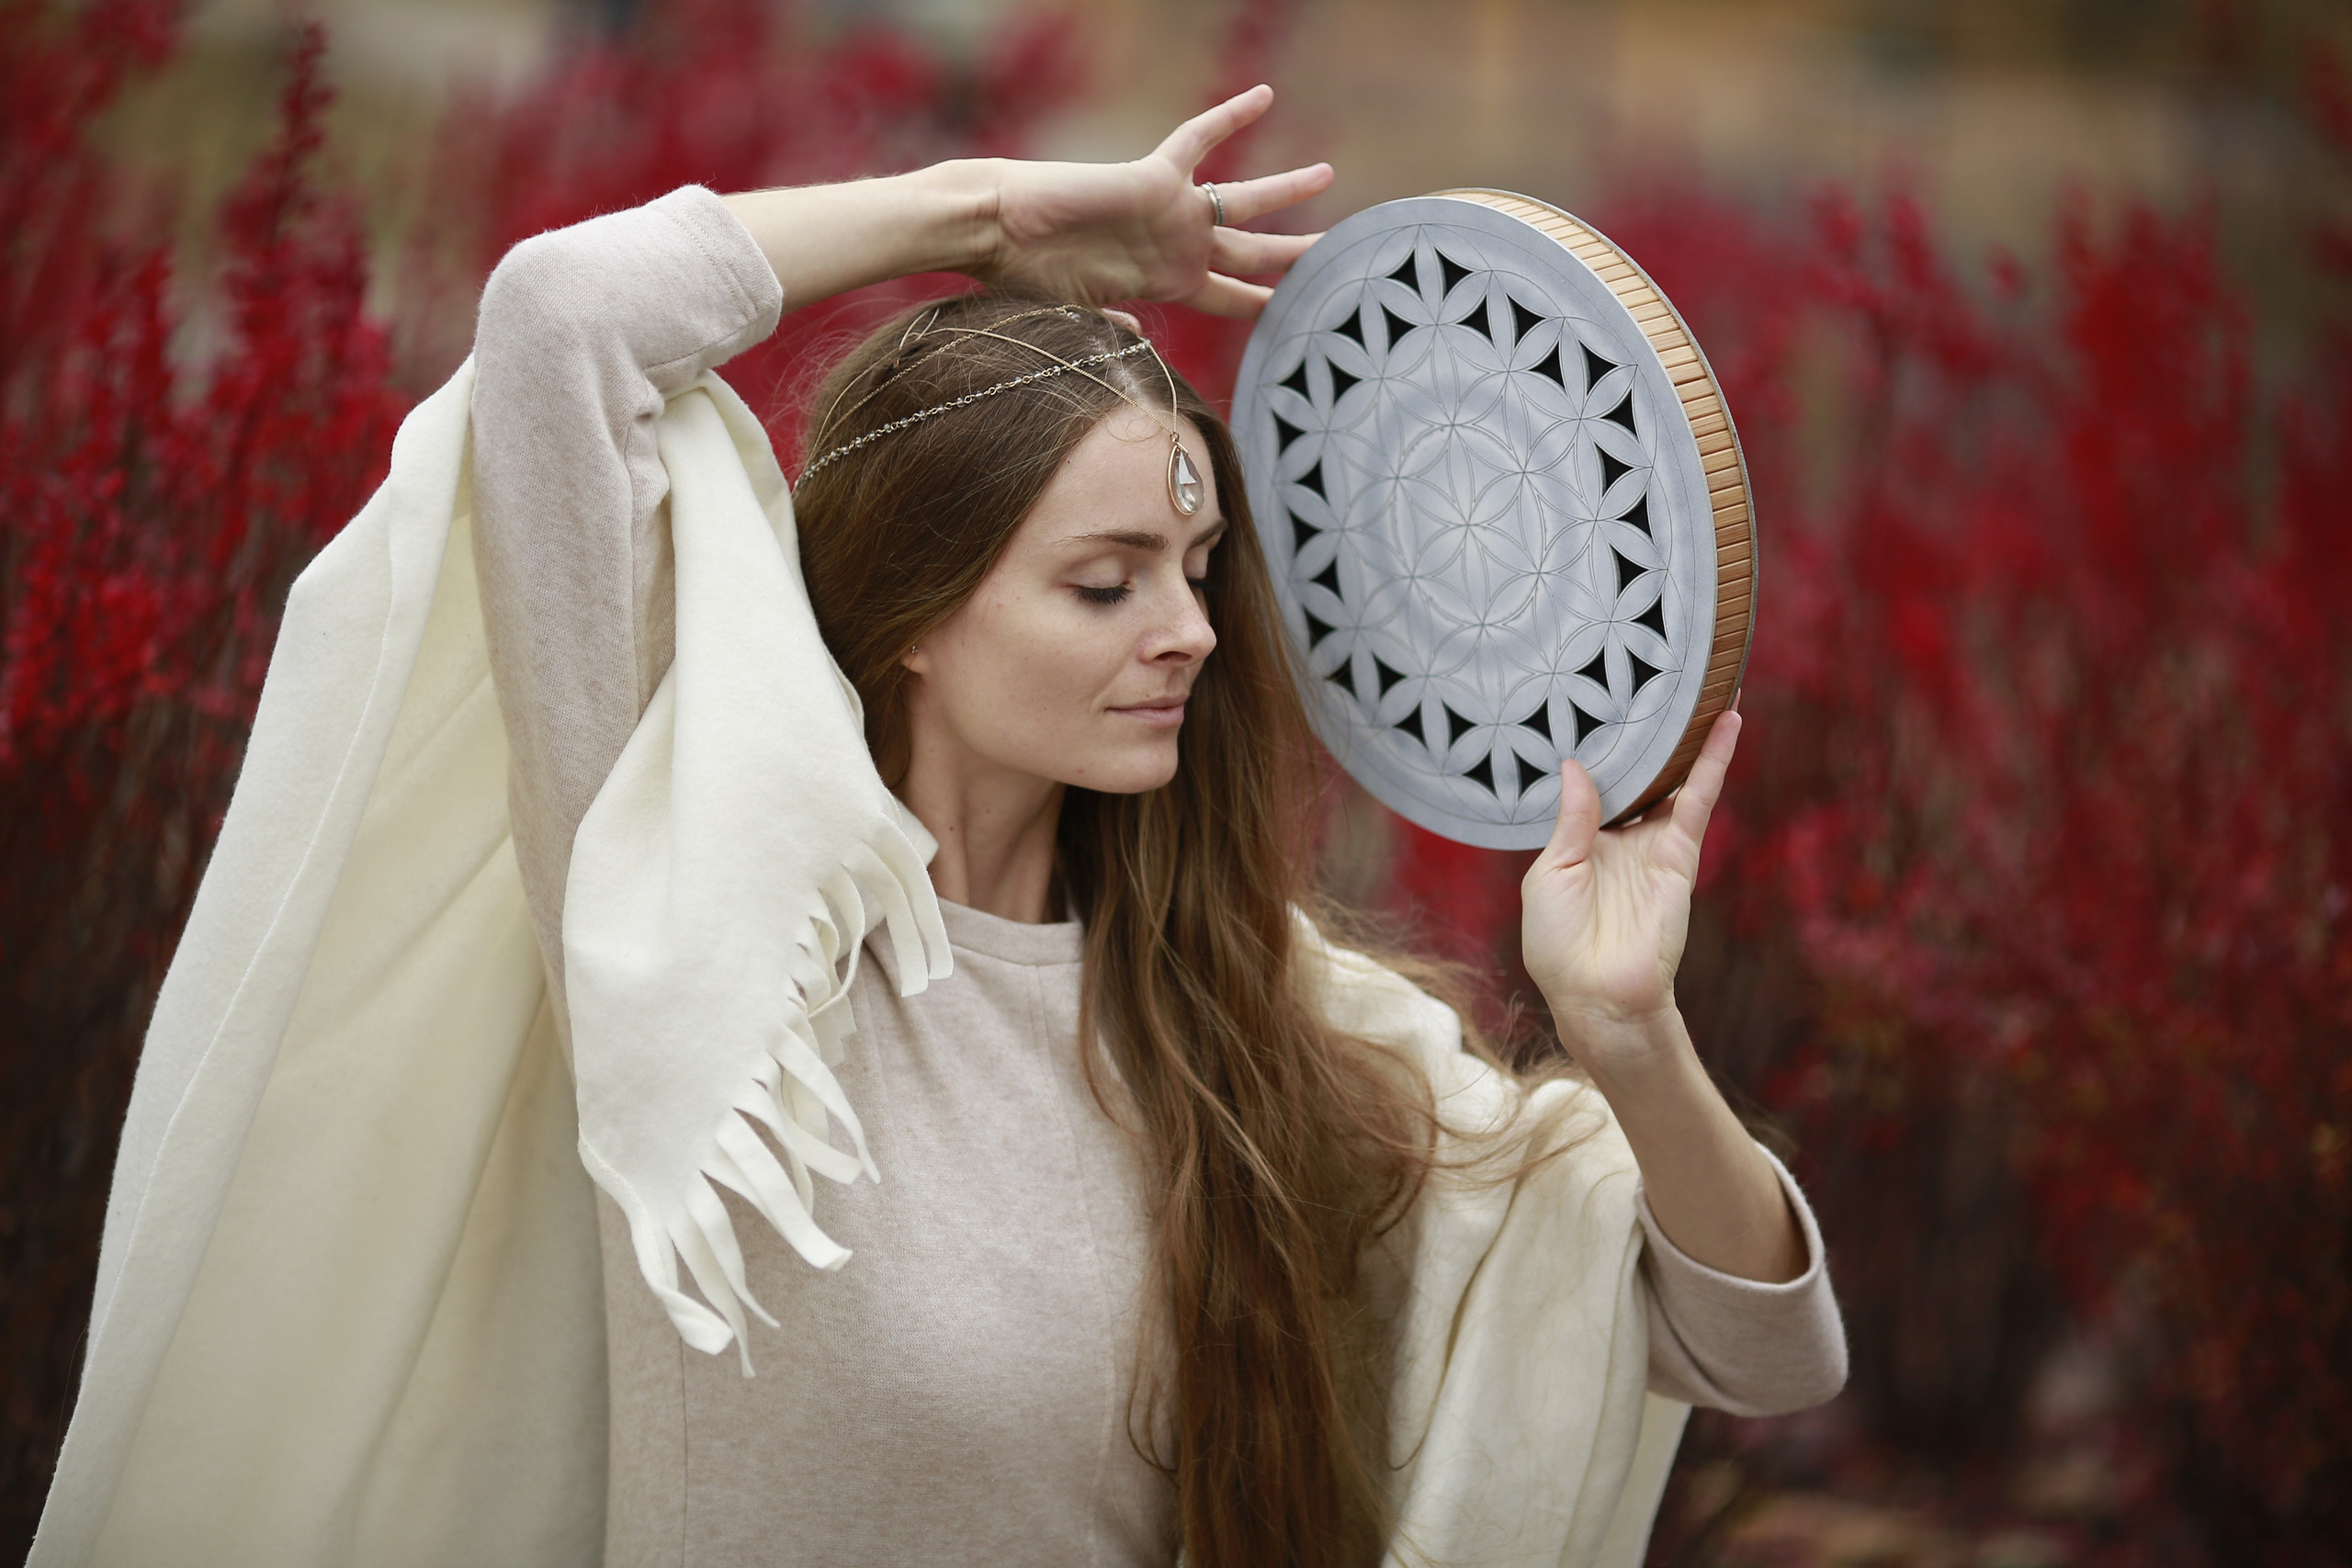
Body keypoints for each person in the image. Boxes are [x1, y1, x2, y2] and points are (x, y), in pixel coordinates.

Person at [36, 86, 1841, 1568]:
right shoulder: (705, 933)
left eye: (1198, 569)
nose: (1190, 632)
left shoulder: (1260, 1015)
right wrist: (985, 215)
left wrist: (1624, 1028)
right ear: (912, 605)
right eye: (1105, 580)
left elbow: (1751, 1341)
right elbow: (559, 324)